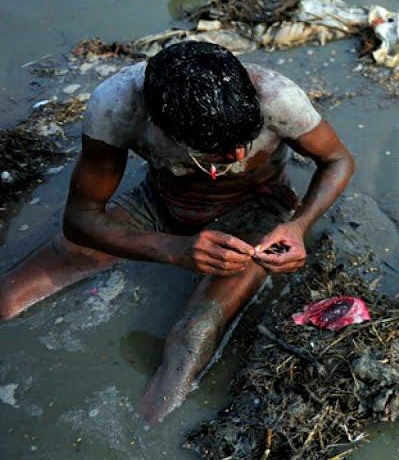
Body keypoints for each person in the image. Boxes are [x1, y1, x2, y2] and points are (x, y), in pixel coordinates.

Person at [0, 41, 355, 422]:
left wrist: (298, 225)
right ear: (163, 129)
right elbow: (80, 219)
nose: (238, 156)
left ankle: (147, 431)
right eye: (218, 152)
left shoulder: (277, 97)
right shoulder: (118, 106)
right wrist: (172, 248)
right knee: (48, 267)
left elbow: (337, 160)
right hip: (160, 204)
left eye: (243, 143)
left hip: (256, 213)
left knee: (195, 332)